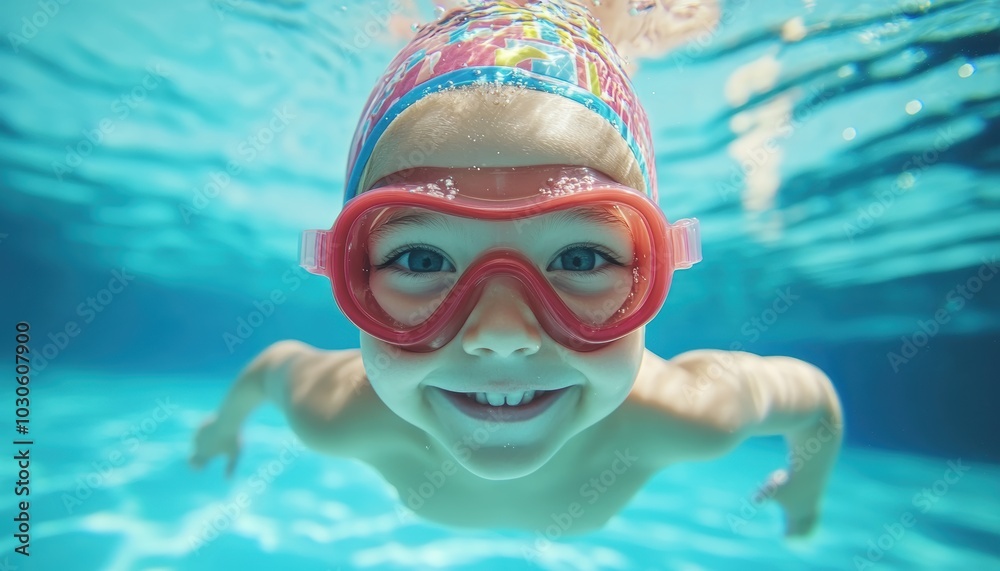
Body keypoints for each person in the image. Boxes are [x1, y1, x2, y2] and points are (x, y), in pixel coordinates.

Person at [190, 0, 842, 537]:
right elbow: (274, 367)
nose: (501, 333)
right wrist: (224, 427)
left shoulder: (690, 411)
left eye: (580, 258)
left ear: (656, 267)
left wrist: (804, 494)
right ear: (347, 272)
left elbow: (813, 403)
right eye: (421, 259)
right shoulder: (336, 411)